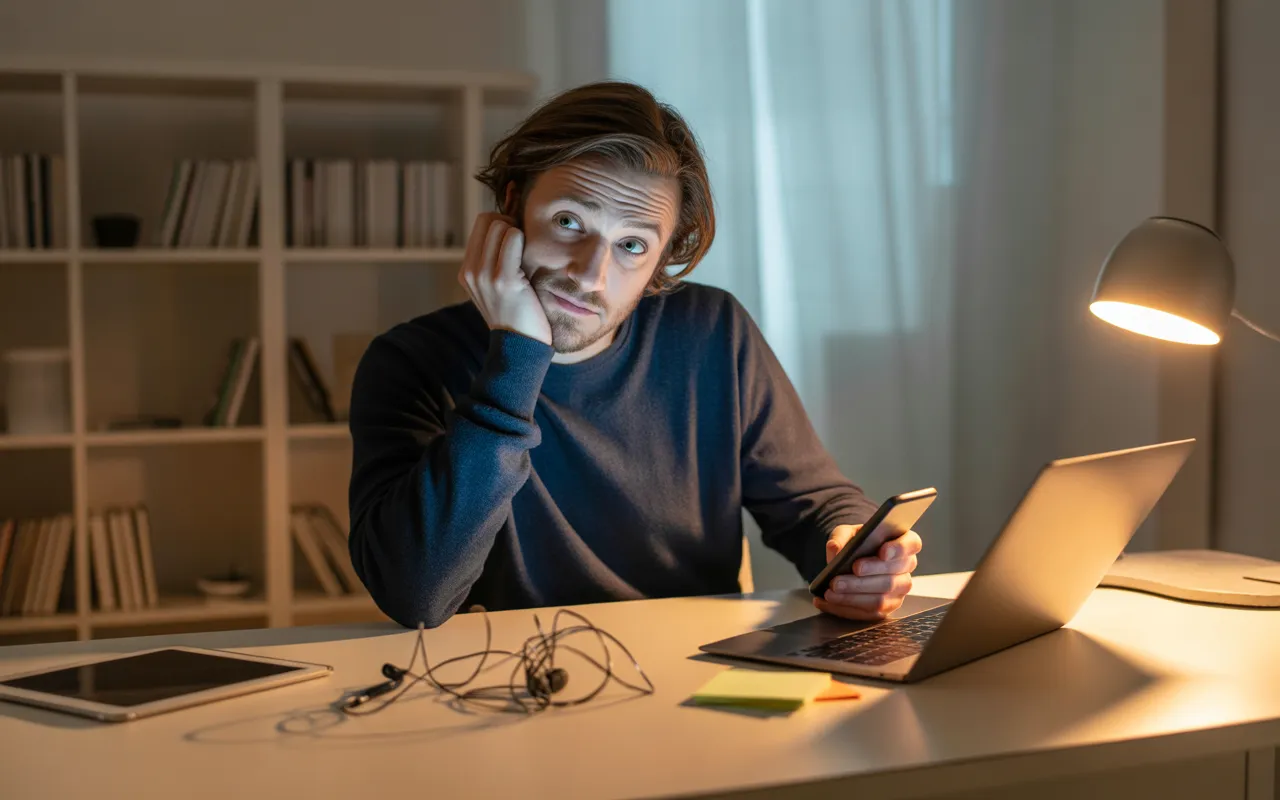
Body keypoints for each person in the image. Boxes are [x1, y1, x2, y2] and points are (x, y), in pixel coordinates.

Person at [347, 80, 923, 629]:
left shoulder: (711, 330)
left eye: (631, 245)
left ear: (660, 262)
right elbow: (414, 594)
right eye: (569, 222)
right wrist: (517, 357)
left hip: (695, 670)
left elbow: (812, 503)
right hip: (513, 680)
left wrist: (856, 552)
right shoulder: (410, 362)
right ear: (513, 205)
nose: (589, 276)